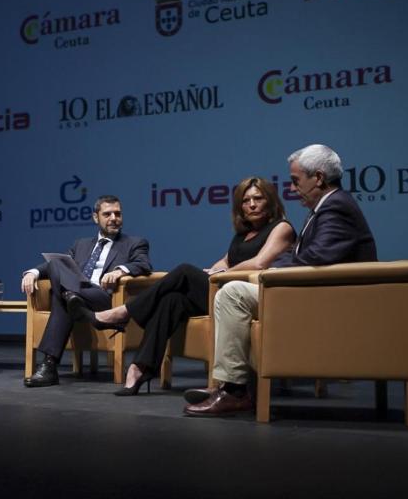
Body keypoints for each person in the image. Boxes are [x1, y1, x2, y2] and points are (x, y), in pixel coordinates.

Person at [184, 144, 377, 416]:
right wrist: (274, 267)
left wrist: (269, 271)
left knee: (233, 293)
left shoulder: (336, 207)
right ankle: (228, 386)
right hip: (315, 293)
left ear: (318, 178)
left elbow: (316, 257)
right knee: (232, 291)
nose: (294, 187)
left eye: (297, 181)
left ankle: (234, 391)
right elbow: (308, 255)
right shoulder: (327, 206)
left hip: (329, 302)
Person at [72, 177, 295, 395]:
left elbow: (259, 263)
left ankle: (123, 312)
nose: (252, 205)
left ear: (271, 201)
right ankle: (141, 368)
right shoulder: (243, 235)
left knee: (185, 271)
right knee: (171, 301)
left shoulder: (281, 228)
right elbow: (224, 262)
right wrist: (213, 271)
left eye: (258, 198)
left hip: (246, 298)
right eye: (246, 201)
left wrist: (220, 273)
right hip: (222, 295)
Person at [21, 195, 152, 388]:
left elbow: (144, 264)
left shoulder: (134, 243)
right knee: (57, 264)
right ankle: (72, 299)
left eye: (118, 213)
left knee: (64, 296)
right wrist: (32, 273)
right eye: (107, 214)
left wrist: (120, 271)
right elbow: (58, 266)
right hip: (79, 300)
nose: (114, 218)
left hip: (104, 298)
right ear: (95, 217)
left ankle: (49, 366)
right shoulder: (80, 245)